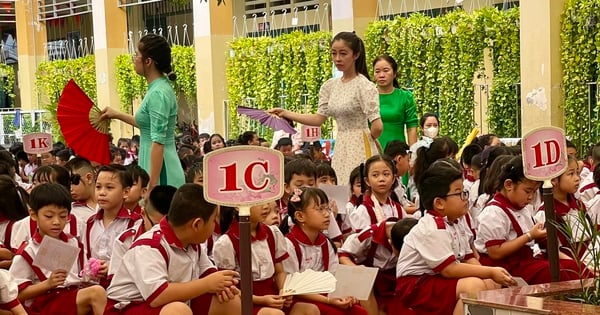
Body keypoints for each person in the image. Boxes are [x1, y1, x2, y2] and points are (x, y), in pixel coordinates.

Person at [396, 159, 515, 315]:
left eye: (464, 191)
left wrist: (491, 275)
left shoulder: (456, 221)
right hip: (415, 284)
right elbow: (449, 270)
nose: (465, 197)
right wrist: (490, 271)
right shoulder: (432, 227)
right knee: (474, 287)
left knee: (491, 283)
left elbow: (468, 257)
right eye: (459, 193)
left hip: (435, 278)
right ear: (439, 203)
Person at [106, 184, 241, 315]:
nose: (214, 225)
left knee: (230, 302)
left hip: (170, 303)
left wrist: (222, 286)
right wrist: (208, 284)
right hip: (126, 307)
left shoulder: (192, 243)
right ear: (197, 224)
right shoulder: (150, 246)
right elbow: (157, 295)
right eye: (213, 220)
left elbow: (208, 273)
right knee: (177, 311)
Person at [269, 32, 383, 185]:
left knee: (358, 186)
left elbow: (377, 126)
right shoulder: (330, 86)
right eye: (334, 53)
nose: (337, 58)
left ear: (355, 55)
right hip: (341, 143)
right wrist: (286, 113)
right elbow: (318, 119)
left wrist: (366, 140)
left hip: (360, 143)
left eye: (343, 54)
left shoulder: (364, 85)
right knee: (340, 186)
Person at [475, 156, 589, 284]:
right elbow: (495, 252)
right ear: (508, 185)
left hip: (526, 261)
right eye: (527, 191)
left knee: (573, 268)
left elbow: (545, 245)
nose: (531, 197)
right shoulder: (493, 213)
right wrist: (529, 236)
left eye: (534, 192)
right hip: (506, 267)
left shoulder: (524, 209)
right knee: (552, 272)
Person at [100, 34, 185, 190]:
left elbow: (158, 142)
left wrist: (151, 186)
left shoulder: (158, 93)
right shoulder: (157, 88)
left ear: (148, 61)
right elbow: (147, 126)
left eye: (136, 55)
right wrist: (116, 114)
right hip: (155, 167)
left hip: (161, 172)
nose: (134, 59)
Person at [9, 183, 107, 315]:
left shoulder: (73, 242)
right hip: (44, 303)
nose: (56, 222)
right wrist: (47, 284)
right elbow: (15, 294)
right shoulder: (28, 251)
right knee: (97, 292)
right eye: (49, 216)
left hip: (72, 295)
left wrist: (94, 271)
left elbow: (82, 276)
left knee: (99, 291)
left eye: (62, 216)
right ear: (33, 214)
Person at [214, 202, 319, 315]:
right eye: (258, 202)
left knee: (310, 310)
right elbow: (229, 289)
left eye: (266, 201)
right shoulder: (226, 242)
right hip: (245, 301)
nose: (266, 206)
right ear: (238, 206)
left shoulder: (272, 233)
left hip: (272, 294)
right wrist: (262, 300)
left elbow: (279, 272)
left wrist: (284, 291)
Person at [282, 187, 367, 315]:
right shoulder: (289, 244)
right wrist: (329, 300)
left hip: (325, 295)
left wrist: (345, 296)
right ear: (300, 216)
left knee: (359, 312)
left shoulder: (326, 243)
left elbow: (333, 276)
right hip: (300, 299)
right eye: (320, 209)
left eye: (327, 208)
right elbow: (292, 287)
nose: (327, 214)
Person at [83, 165, 141, 287]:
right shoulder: (90, 222)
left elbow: (135, 259)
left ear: (125, 192)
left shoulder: (135, 223)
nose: (102, 193)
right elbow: (85, 255)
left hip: (121, 286)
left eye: (109, 188)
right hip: (92, 285)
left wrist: (111, 266)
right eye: (98, 187)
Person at [108, 185, 176, 279]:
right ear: (143, 214)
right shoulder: (125, 241)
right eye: (156, 225)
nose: (161, 233)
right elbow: (117, 281)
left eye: (168, 227)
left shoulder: (187, 240)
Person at [339, 218, 402, 315]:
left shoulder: (411, 235)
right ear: (391, 242)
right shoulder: (368, 235)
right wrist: (357, 269)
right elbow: (343, 255)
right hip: (369, 275)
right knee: (364, 283)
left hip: (392, 278)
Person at [349, 155, 406, 232]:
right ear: (367, 181)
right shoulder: (363, 211)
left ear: (393, 179)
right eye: (375, 175)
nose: (381, 179)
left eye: (386, 174)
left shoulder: (398, 209)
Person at [373, 55, 418, 150]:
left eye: (386, 70)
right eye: (377, 71)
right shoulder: (368, 97)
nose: (381, 75)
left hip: (397, 153)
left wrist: (413, 155)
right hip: (373, 151)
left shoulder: (405, 97)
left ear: (394, 73)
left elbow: (411, 128)